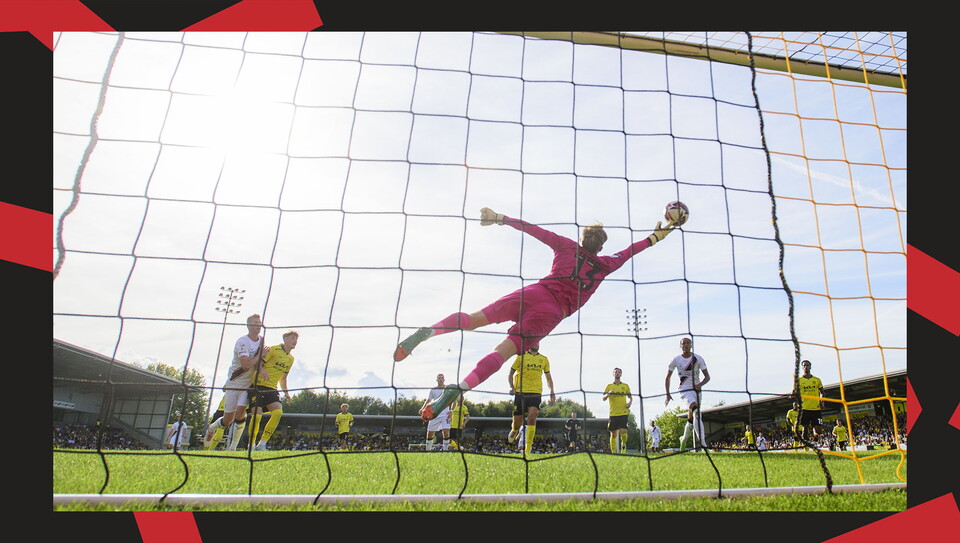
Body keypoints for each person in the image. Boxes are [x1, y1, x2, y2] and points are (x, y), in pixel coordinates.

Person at [394, 207, 679, 420]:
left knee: (473, 319)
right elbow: (631, 250)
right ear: (601, 246)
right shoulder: (606, 264)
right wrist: (657, 235)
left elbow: (534, 229)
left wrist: (500, 218)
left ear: (582, 239)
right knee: (503, 352)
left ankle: (428, 332)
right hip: (551, 312)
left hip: (534, 292)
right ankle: (461, 387)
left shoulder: (565, 245)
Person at [203, 314, 269, 451]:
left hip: (248, 385)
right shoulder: (242, 342)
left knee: (241, 414)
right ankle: (212, 428)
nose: (258, 325)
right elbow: (246, 365)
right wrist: (260, 356)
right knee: (228, 420)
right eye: (255, 323)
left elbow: (256, 363)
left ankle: (232, 447)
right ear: (249, 325)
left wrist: (261, 369)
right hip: (234, 383)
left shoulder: (261, 340)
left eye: (259, 322)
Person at [248, 330, 298, 451]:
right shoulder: (273, 350)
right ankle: (251, 444)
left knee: (278, 413)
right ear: (285, 339)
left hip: (272, 388)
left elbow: (283, 378)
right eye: (292, 338)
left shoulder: (291, 359)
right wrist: (262, 370)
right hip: (257, 386)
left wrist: (286, 393)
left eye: (296, 339)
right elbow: (257, 363)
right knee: (257, 416)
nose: (295, 341)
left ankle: (262, 444)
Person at [507, 346, 556, 455]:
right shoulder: (521, 357)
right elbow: (510, 374)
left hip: (536, 392)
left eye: (538, 341)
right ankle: (515, 430)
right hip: (520, 392)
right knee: (517, 423)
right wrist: (512, 387)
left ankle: (528, 448)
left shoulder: (544, 359)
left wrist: (552, 390)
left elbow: (548, 378)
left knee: (532, 416)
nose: (536, 343)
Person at [664, 337, 710, 451]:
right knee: (696, 412)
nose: (685, 345)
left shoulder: (698, 358)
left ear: (691, 345)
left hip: (697, 391)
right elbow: (668, 376)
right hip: (684, 389)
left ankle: (683, 440)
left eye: (688, 343)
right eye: (683, 343)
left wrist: (700, 384)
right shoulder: (676, 360)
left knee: (691, 419)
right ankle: (703, 445)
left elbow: (707, 377)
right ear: (680, 346)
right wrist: (667, 394)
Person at [603, 367, 632, 454]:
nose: (617, 373)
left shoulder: (625, 386)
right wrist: (608, 394)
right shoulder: (609, 386)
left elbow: (630, 397)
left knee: (623, 430)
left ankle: (623, 445)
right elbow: (603, 398)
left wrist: (630, 402)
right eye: (616, 372)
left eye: (619, 372)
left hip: (623, 412)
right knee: (613, 434)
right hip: (613, 413)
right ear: (613, 374)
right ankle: (613, 452)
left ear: (621, 374)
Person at [421, 374, 452, 450]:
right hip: (434, 413)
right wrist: (422, 408)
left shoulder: (448, 389)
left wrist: (451, 411)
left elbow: (453, 401)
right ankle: (428, 450)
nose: (441, 379)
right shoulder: (433, 389)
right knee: (430, 432)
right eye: (439, 378)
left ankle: (445, 450)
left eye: (442, 378)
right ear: (437, 380)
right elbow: (428, 400)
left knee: (446, 431)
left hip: (445, 413)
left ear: (444, 380)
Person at [796, 359, 825, 443]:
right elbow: (794, 392)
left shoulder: (817, 380)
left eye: (807, 365)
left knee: (819, 430)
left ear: (810, 367)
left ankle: (815, 436)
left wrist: (822, 402)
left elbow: (822, 392)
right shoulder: (799, 380)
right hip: (804, 408)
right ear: (802, 367)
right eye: (804, 365)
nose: (806, 367)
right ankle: (807, 445)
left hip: (816, 408)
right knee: (804, 430)